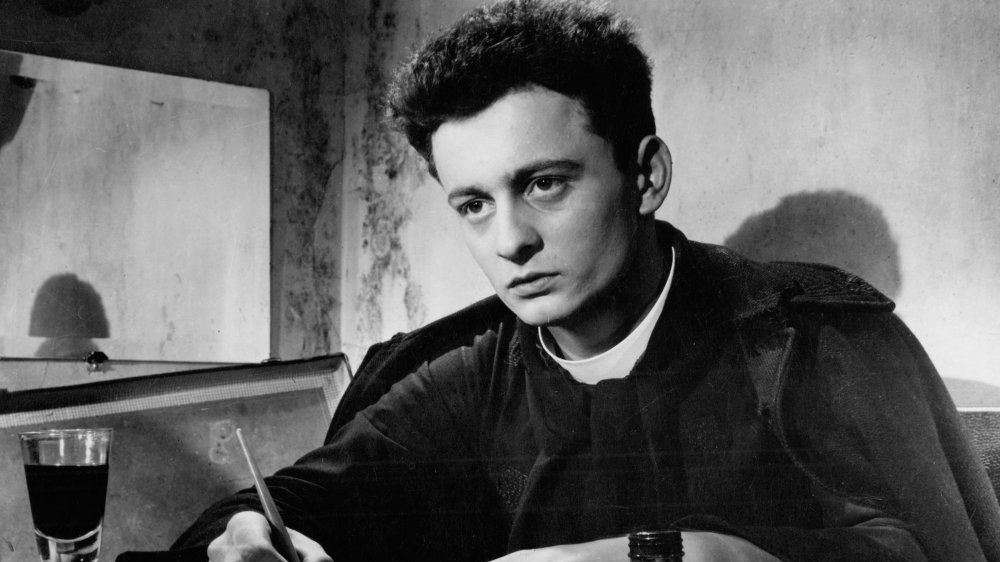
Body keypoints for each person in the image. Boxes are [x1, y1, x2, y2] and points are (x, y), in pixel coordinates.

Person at [173, 1, 1000, 561]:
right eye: (472, 204)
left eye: (544, 184)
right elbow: (278, 502)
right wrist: (244, 531)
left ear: (646, 177)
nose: (510, 241)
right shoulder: (466, 372)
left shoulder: (813, 346)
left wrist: (690, 553)